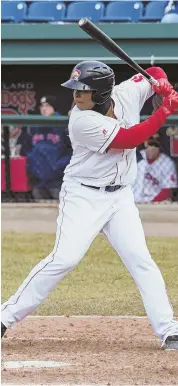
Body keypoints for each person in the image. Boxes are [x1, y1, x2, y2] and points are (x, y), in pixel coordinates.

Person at [1, 61, 178, 350]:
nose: (76, 96)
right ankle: (5, 317)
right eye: (75, 90)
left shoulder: (126, 93)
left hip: (120, 197)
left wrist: (161, 83)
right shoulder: (80, 120)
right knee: (64, 259)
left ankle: (168, 329)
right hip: (83, 195)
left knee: (140, 259)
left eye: (83, 91)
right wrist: (165, 109)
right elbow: (128, 139)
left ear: (103, 93)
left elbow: (155, 71)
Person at [27, 96, 72, 200]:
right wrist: (32, 166)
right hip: (38, 182)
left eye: (47, 106)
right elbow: (27, 148)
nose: (44, 108)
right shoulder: (35, 126)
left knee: (60, 212)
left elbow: (72, 150)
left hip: (58, 181)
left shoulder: (63, 125)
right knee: (38, 214)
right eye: (42, 106)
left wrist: (59, 166)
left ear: (53, 108)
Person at [133, 134, 178, 203]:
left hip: (156, 201)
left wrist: (152, 201)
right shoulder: (136, 159)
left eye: (156, 145)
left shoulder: (167, 162)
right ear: (145, 143)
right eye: (150, 144)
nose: (153, 148)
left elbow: (168, 190)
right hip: (134, 198)